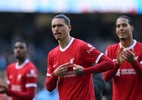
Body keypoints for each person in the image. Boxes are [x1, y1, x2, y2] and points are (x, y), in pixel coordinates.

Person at [45, 14, 114, 100]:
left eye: (60, 25)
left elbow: (109, 63)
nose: (56, 29)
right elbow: (49, 87)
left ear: (69, 28)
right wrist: (55, 74)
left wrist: (85, 71)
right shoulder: (52, 54)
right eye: (53, 26)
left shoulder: (81, 47)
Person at [103, 15, 142, 100]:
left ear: (131, 27)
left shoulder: (141, 49)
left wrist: (134, 62)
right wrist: (117, 64)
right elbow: (106, 78)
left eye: (124, 25)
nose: (121, 28)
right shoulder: (110, 50)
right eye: (118, 26)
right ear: (116, 30)